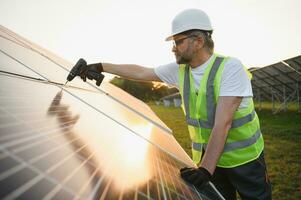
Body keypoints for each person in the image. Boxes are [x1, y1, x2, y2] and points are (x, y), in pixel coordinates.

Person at [78, 8, 272, 200]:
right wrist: (101, 66)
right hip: (211, 160)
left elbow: (224, 122)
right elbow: (141, 72)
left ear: (198, 41)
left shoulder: (230, 68)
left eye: (178, 42)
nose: (173, 48)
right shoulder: (180, 70)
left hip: (245, 161)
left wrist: (205, 169)